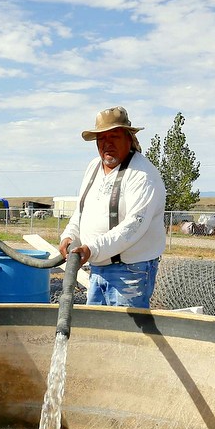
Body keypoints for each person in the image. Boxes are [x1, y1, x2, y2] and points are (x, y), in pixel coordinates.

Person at [58, 106, 167, 308]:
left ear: (129, 137)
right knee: (99, 332)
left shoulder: (142, 175)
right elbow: (81, 212)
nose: (106, 144)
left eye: (114, 136)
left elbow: (133, 227)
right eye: (101, 138)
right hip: (98, 267)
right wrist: (70, 235)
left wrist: (92, 249)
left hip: (130, 272)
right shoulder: (93, 168)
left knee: (126, 335)